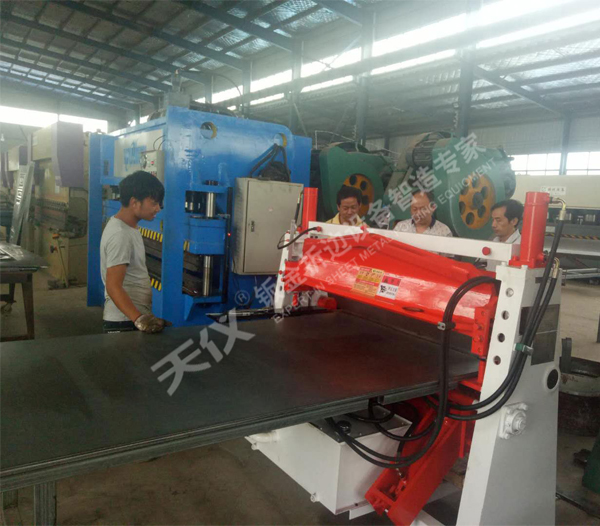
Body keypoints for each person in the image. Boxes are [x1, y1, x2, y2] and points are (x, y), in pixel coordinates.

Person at [100, 171, 170, 334]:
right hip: (124, 321)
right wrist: (139, 319)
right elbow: (113, 286)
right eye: (153, 203)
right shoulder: (121, 234)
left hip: (129, 318)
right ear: (134, 202)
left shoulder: (128, 228)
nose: (158, 208)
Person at [486, 199, 524, 271]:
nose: (493, 225)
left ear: (514, 221)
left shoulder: (521, 246)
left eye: (498, 220)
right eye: (493, 220)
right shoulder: (494, 241)